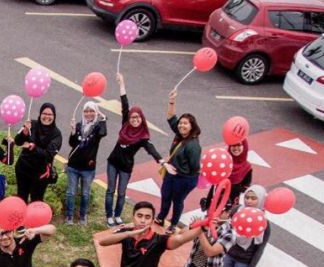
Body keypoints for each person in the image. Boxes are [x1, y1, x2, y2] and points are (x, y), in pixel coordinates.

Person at [104, 73, 164, 227]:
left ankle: (117, 216)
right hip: (113, 162)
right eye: (133, 118)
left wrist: (162, 161)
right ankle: (109, 216)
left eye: (138, 118)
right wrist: (122, 83)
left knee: (122, 193)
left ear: (142, 119)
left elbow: (151, 148)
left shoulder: (143, 136)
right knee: (110, 190)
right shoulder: (125, 123)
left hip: (126, 167)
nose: (135, 120)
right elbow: (125, 103)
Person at [156, 88, 201, 230]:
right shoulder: (180, 135)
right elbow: (170, 118)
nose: (181, 125)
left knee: (177, 201)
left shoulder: (193, 145)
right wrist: (172, 101)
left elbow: (194, 167)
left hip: (184, 179)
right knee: (165, 196)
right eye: (181, 123)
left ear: (192, 126)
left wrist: (180, 172)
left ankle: (173, 224)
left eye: (185, 123)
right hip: (171, 174)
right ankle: (161, 217)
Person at [65, 101, 107, 225]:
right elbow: (72, 144)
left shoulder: (97, 127)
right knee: (71, 193)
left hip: (88, 168)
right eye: (86, 111)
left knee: (85, 194)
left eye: (92, 111)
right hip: (73, 166)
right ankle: (69, 216)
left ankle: (83, 216)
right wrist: (73, 131)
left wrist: (103, 118)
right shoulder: (78, 125)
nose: (88, 114)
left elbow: (103, 133)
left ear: (95, 112)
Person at [13, 102, 62, 202]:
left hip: (40, 174)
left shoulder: (56, 134)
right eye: (44, 113)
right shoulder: (31, 124)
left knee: (36, 201)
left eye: (50, 114)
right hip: (23, 169)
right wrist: (24, 132)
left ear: (54, 116)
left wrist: (33, 147)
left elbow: (48, 155)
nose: (47, 117)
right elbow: (18, 141)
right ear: (40, 114)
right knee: (21, 197)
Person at [200, 140, 252, 212]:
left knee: (227, 217)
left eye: (239, 145)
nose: (236, 148)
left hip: (232, 197)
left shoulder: (247, 167)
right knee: (211, 214)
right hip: (217, 193)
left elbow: (245, 186)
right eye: (233, 145)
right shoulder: (223, 161)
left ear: (244, 147)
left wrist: (231, 187)